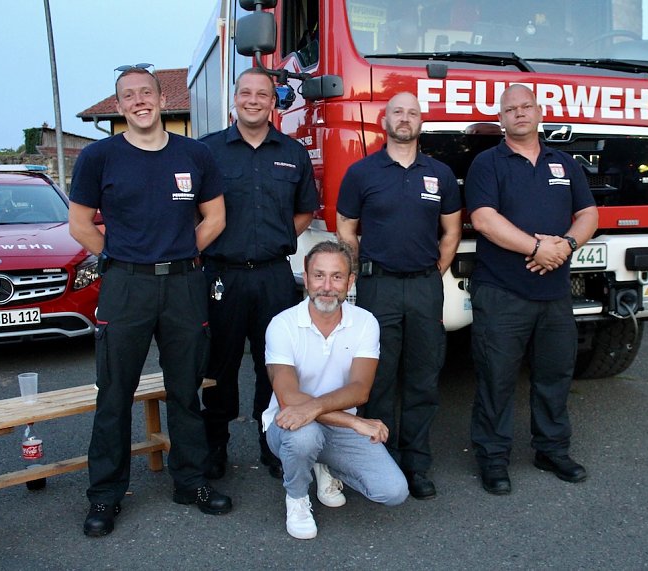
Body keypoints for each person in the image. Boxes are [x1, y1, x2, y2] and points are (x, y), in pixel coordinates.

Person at [68, 64, 231, 537]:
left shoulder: (194, 154)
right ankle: (104, 496)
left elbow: (215, 217)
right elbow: (80, 225)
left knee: (186, 391)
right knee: (114, 395)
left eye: (146, 92)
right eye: (128, 96)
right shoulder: (99, 157)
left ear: (162, 99)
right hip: (126, 287)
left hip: (183, 286)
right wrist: (123, 260)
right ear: (119, 107)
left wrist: (179, 255)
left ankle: (191, 482)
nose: (139, 101)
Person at [464, 84, 599, 495]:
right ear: (501, 119)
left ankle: (552, 450)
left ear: (539, 112)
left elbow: (589, 212)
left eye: (526, 107)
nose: (519, 114)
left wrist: (568, 245)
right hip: (502, 292)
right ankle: (493, 458)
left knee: (555, 376)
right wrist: (539, 247)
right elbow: (484, 219)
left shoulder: (565, 162)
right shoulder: (487, 164)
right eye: (511, 109)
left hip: (555, 294)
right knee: (497, 379)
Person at [336, 91, 462, 500]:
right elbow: (345, 226)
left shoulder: (440, 173)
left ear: (420, 122)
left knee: (424, 377)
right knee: (379, 378)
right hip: (379, 286)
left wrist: (432, 274)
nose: (404, 119)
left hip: (426, 286)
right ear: (384, 120)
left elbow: (452, 232)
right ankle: (379, 462)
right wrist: (357, 269)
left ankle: (416, 463)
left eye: (411, 113)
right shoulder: (362, 173)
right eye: (397, 112)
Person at [199, 68, 319, 481]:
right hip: (221, 276)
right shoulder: (207, 152)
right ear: (235, 98)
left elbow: (306, 209)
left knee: (276, 364)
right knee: (219, 364)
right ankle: (215, 446)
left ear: (273, 101)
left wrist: (278, 237)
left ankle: (273, 444)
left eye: (262, 94)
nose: (253, 100)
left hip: (273, 276)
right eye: (245, 92)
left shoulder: (292, 151)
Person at [262, 240, 409, 540]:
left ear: (350, 281)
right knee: (304, 435)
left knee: (393, 491)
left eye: (337, 276)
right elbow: (289, 400)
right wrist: (355, 421)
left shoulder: (365, 322)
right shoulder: (282, 324)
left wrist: (320, 409)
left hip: (333, 426)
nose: (326, 286)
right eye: (319, 275)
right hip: (288, 426)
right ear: (305, 277)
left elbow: (359, 390)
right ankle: (298, 498)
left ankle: (323, 463)